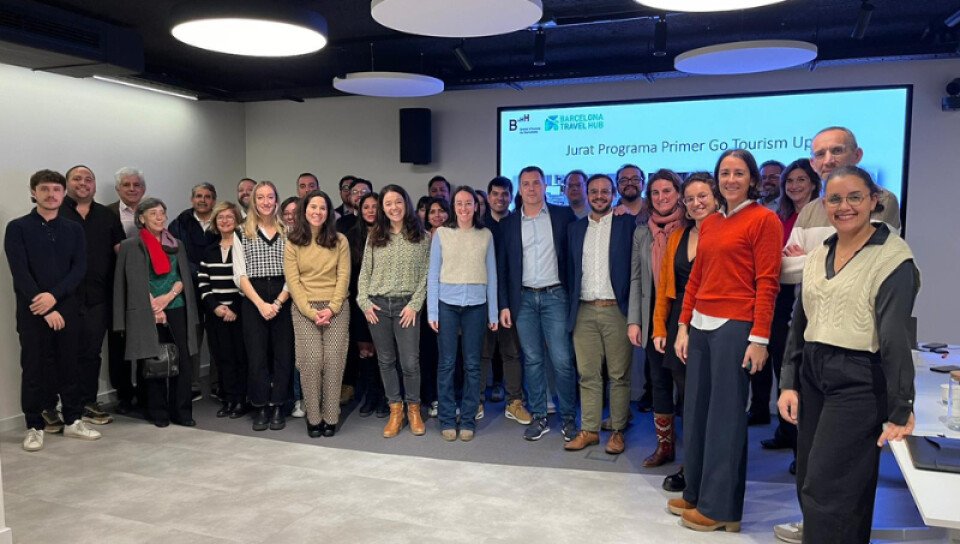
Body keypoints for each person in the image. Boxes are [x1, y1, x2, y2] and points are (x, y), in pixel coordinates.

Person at [774, 126, 903, 544]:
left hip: (859, 364)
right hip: (814, 355)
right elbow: (786, 270)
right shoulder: (813, 213)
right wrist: (790, 379)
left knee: (835, 481)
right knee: (813, 475)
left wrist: (902, 404)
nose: (827, 159)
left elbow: (863, 259)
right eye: (819, 153)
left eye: (836, 150)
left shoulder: (885, 216)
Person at [668, 149, 782, 532]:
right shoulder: (713, 222)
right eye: (725, 173)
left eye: (739, 173)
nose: (731, 179)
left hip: (736, 327)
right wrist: (683, 326)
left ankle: (721, 509)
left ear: (752, 179)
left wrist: (760, 339)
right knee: (697, 413)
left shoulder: (764, 220)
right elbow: (696, 279)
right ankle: (696, 493)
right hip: (700, 324)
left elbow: (768, 282)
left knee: (725, 419)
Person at [6, 169, 101, 451]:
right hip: (33, 311)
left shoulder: (73, 229)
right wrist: (44, 306)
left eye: (56, 189)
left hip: (68, 309)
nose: (51, 194)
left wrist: (54, 298)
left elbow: (79, 269)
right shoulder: (18, 228)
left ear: (63, 193)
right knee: (34, 368)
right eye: (45, 189)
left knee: (70, 366)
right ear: (33, 192)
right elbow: (20, 271)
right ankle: (34, 426)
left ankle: (73, 420)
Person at [651, 172, 722, 492]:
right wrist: (659, 327)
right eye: (690, 198)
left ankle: (713, 466)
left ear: (716, 198)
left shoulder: (727, 232)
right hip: (679, 322)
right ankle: (690, 465)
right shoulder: (679, 236)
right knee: (688, 400)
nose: (696, 203)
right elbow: (665, 287)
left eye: (702, 196)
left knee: (711, 400)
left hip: (715, 321)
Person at [497, 166, 578, 442]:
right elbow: (503, 269)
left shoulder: (563, 216)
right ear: (519, 189)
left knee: (562, 360)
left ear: (545, 186)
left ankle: (568, 419)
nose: (531, 188)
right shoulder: (508, 224)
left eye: (536, 183)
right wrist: (504, 304)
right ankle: (540, 416)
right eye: (526, 184)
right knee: (532, 360)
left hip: (556, 296)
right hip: (524, 300)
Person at [564, 174, 635, 454]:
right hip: (583, 311)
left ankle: (617, 431)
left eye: (605, 191)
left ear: (614, 194)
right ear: (587, 194)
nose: (599, 196)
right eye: (594, 191)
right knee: (588, 374)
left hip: (616, 310)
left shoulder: (627, 224)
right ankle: (590, 430)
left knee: (618, 375)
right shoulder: (575, 229)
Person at [114, 197, 200, 428]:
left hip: (177, 305)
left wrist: (169, 296)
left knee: (182, 359)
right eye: (153, 213)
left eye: (162, 212)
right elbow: (131, 282)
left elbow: (182, 278)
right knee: (154, 361)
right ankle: (158, 411)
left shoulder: (176, 244)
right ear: (141, 218)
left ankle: (181, 411)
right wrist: (154, 306)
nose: (159, 217)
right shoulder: (130, 246)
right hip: (146, 310)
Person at [357, 184, 431, 438]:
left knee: (410, 362)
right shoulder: (375, 236)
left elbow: (426, 275)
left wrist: (415, 304)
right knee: (386, 361)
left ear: (406, 203)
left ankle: (414, 409)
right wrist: (364, 302)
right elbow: (365, 273)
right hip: (378, 306)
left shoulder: (422, 237)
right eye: (388, 203)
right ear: (383, 208)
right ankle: (395, 410)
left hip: (407, 307)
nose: (394, 207)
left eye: (398, 201)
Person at [756, 160, 820, 447]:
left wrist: (802, 259)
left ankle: (799, 446)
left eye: (801, 179)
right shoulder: (780, 217)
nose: (794, 185)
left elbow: (822, 261)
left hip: (806, 300)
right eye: (789, 181)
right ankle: (785, 431)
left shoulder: (821, 217)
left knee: (796, 371)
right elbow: (773, 260)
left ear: (813, 183)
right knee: (780, 366)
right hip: (778, 299)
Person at [427, 186, 498, 442]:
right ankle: (447, 418)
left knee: (472, 364)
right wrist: (432, 310)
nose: (464, 208)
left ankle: (468, 419)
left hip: (476, 306)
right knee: (446, 363)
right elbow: (433, 274)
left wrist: (493, 313)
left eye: (469, 203)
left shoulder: (485, 235)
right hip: (447, 304)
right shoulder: (442, 234)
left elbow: (492, 274)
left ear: (476, 206)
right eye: (459, 203)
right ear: (453, 207)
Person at [628, 169, 687, 467]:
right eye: (655, 192)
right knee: (659, 381)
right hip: (653, 316)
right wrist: (634, 320)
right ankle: (665, 447)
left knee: (686, 384)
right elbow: (636, 278)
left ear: (678, 193)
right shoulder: (642, 232)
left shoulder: (690, 228)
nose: (661, 197)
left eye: (667, 191)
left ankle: (694, 451)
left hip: (684, 316)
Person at [59, 165, 125, 427]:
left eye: (89, 179)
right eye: (77, 178)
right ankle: (67, 406)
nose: (83, 183)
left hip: (99, 297)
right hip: (63, 297)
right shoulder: (56, 213)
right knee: (64, 352)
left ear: (95, 185)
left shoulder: (107, 215)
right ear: (67, 183)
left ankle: (88, 402)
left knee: (91, 352)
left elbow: (120, 251)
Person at [285, 190, 351, 438]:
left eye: (322, 208)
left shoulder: (340, 240)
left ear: (329, 212)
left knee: (333, 362)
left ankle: (331, 416)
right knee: (311, 362)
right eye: (313, 207)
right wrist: (311, 312)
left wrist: (332, 308)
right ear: (305, 210)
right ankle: (313, 417)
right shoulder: (293, 242)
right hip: (305, 309)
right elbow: (293, 282)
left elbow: (343, 276)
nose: (317, 212)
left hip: (336, 307)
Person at [232, 181, 293, 432]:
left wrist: (277, 302)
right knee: (256, 356)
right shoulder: (241, 232)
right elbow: (239, 274)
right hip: (253, 298)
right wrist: (260, 304)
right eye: (260, 197)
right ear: (253, 201)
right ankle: (261, 405)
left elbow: (293, 273)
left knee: (283, 355)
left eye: (270, 197)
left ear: (276, 200)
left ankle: (278, 404)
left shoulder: (288, 231)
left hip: (283, 296)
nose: (266, 202)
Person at [482, 177, 530, 424]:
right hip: (481, 300)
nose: (500, 198)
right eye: (495, 194)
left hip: (512, 299)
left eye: (505, 194)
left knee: (512, 352)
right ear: (488, 196)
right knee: (482, 353)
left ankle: (514, 401)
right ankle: (476, 401)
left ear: (511, 196)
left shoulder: (518, 223)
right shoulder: (479, 225)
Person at [169, 182, 218, 402]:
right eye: (199, 196)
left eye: (207, 196)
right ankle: (192, 384)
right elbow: (174, 255)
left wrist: (210, 274)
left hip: (218, 288)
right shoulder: (179, 223)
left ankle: (218, 383)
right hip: (190, 288)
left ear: (213, 200)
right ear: (192, 199)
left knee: (218, 339)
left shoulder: (222, 220)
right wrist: (198, 273)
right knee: (192, 340)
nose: (203, 200)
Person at [198, 202, 247, 419]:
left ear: (237, 220)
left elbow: (247, 281)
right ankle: (228, 399)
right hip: (216, 315)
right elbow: (203, 282)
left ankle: (241, 400)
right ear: (215, 222)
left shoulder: (244, 247)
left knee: (240, 358)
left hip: (239, 313)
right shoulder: (208, 250)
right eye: (220, 217)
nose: (225, 221)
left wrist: (233, 308)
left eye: (229, 217)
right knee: (222, 358)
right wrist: (216, 307)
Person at [106, 167, 146, 413]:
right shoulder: (106, 213)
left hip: (146, 286)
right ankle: (124, 394)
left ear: (144, 189)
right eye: (126, 185)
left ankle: (145, 393)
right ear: (118, 189)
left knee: (144, 339)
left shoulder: (152, 210)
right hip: (116, 287)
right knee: (118, 342)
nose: (132, 189)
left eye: (136, 185)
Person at [347, 192, 387, 418]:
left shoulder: (390, 233)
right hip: (359, 302)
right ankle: (371, 396)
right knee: (366, 351)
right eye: (366, 207)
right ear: (359, 211)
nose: (371, 211)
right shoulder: (352, 236)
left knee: (384, 351)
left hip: (383, 302)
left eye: (375, 206)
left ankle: (385, 397)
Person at [420, 197, 449, 416]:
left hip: (448, 300)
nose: (437, 215)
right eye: (432, 211)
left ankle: (446, 396)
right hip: (423, 301)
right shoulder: (420, 237)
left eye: (441, 211)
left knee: (446, 353)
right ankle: (431, 397)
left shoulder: (455, 235)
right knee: (428, 352)